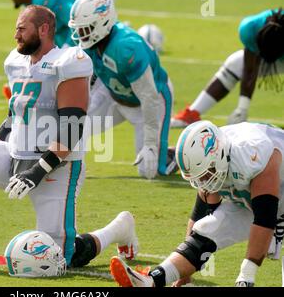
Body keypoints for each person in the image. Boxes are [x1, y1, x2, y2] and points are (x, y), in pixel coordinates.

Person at [0, 5, 139, 273]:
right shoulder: (15, 62)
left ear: (43, 29)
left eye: (21, 28)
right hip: (15, 155)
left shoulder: (69, 62)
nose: (16, 34)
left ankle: (117, 229)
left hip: (56, 166)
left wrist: (38, 171)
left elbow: (73, 126)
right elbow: (15, 114)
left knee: (58, 260)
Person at [110, 120, 284, 287]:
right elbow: (201, 216)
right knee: (207, 228)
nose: (204, 181)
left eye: (206, 174)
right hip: (257, 198)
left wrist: (246, 276)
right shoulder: (213, 152)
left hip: (273, 196)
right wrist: (184, 273)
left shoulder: (254, 153)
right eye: (199, 177)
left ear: (219, 157)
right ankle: (151, 280)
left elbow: (265, 219)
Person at [68, 0, 176, 180]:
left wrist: (150, 144)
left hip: (149, 102)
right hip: (113, 95)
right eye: (79, 29)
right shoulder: (93, 44)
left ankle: (177, 153)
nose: (80, 35)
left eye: (86, 29)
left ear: (103, 22)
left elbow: (149, 97)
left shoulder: (126, 47)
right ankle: (67, 168)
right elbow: (91, 80)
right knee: (75, 127)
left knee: (150, 171)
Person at [171, 9, 284, 128]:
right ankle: (191, 114)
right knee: (235, 64)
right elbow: (250, 69)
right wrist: (242, 109)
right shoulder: (250, 28)